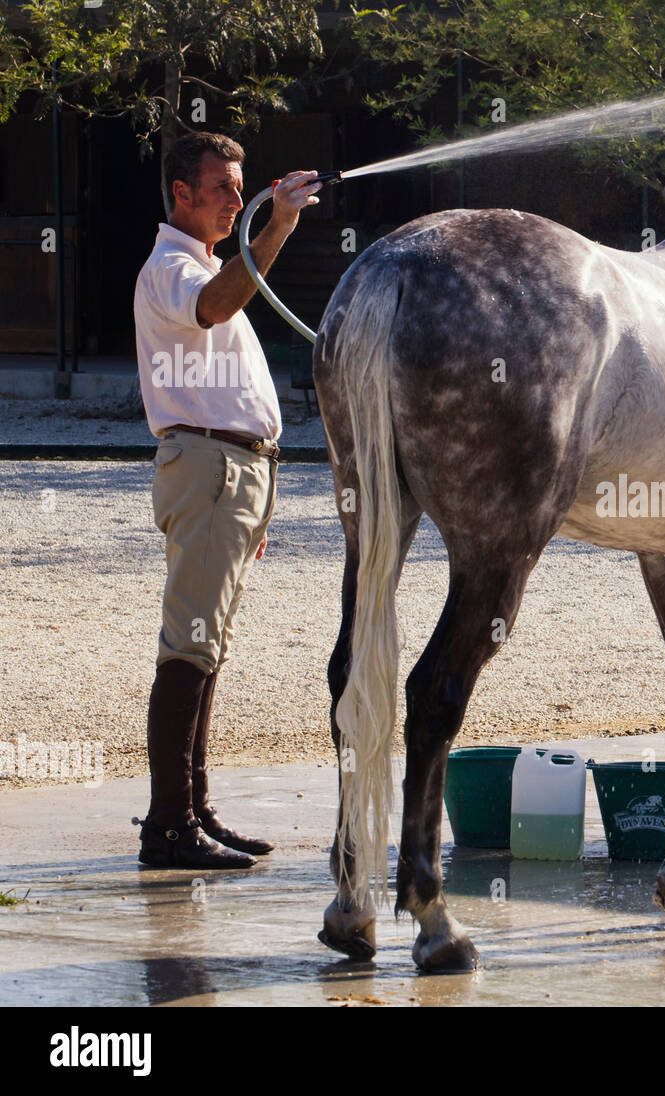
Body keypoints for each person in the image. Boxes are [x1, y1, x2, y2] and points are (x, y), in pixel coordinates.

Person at [131, 131, 322, 868]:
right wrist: (277, 227)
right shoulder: (173, 269)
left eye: (241, 189)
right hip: (208, 466)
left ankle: (194, 810)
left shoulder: (205, 263)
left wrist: (254, 496)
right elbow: (213, 307)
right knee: (189, 647)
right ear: (181, 193)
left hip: (236, 473)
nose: (237, 202)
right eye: (222, 189)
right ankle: (168, 827)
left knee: (207, 648)